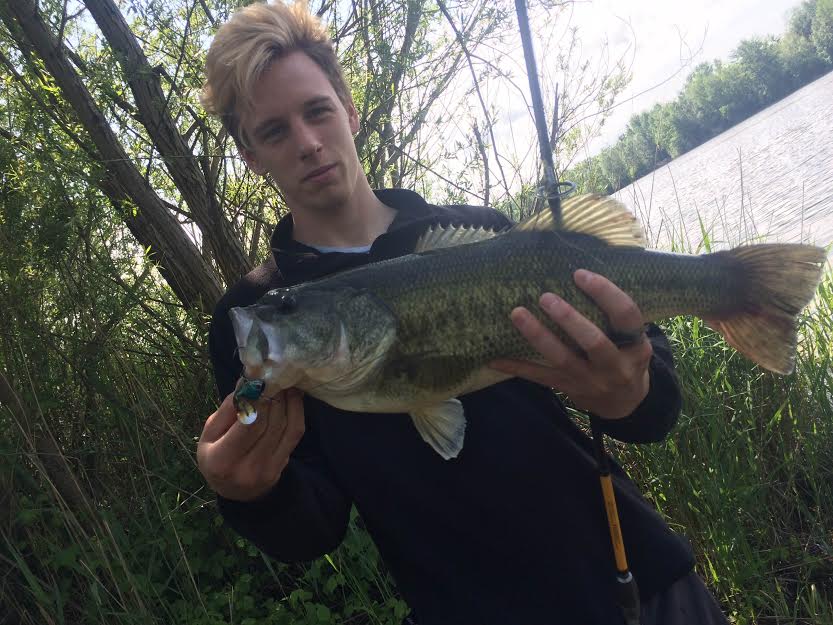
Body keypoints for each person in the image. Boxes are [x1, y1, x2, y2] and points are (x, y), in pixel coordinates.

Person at [196, 3, 729, 624]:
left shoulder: (485, 235)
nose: (308, 143)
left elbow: (653, 406)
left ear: (350, 109)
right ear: (250, 155)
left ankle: (735, 283)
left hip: (637, 584)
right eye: (274, 131)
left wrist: (632, 393)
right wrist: (251, 494)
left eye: (317, 111)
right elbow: (312, 531)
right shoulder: (258, 319)